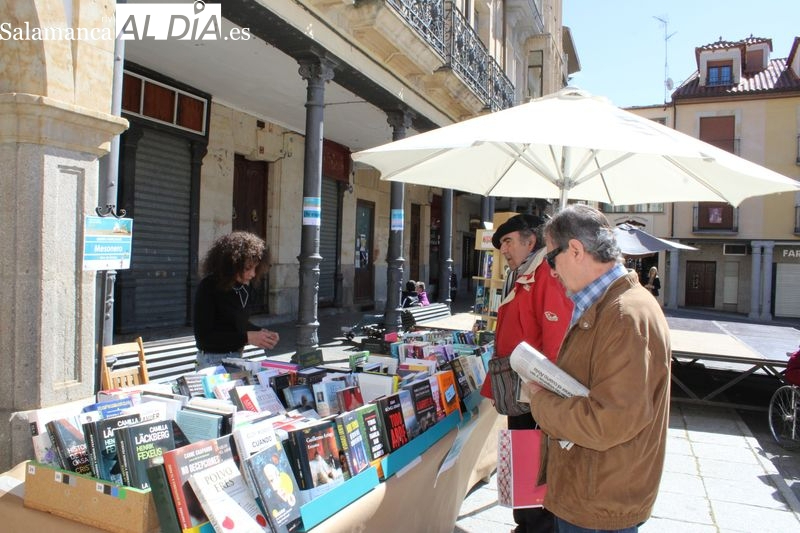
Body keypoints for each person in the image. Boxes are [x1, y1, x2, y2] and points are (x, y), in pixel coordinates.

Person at [528, 204, 671, 533]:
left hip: (600, 500)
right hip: (593, 489)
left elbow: (608, 421)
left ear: (575, 249)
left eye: (551, 258)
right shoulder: (610, 304)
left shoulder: (623, 314)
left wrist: (540, 401)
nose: (550, 271)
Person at [479, 213, 572, 533]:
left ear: (530, 241)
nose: (503, 249)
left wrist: (546, 388)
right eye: (501, 243)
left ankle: (536, 525)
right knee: (522, 454)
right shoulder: (522, 273)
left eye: (508, 241)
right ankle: (525, 522)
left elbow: (555, 334)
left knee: (532, 458)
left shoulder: (545, 272)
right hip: (518, 386)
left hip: (535, 389)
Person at [193, 231, 280, 369]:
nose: (252, 274)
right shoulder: (208, 287)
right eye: (247, 268)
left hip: (236, 359)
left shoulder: (242, 287)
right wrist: (248, 338)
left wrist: (260, 333)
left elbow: (237, 324)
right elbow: (204, 338)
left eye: (255, 268)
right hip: (211, 362)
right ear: (231, 264)